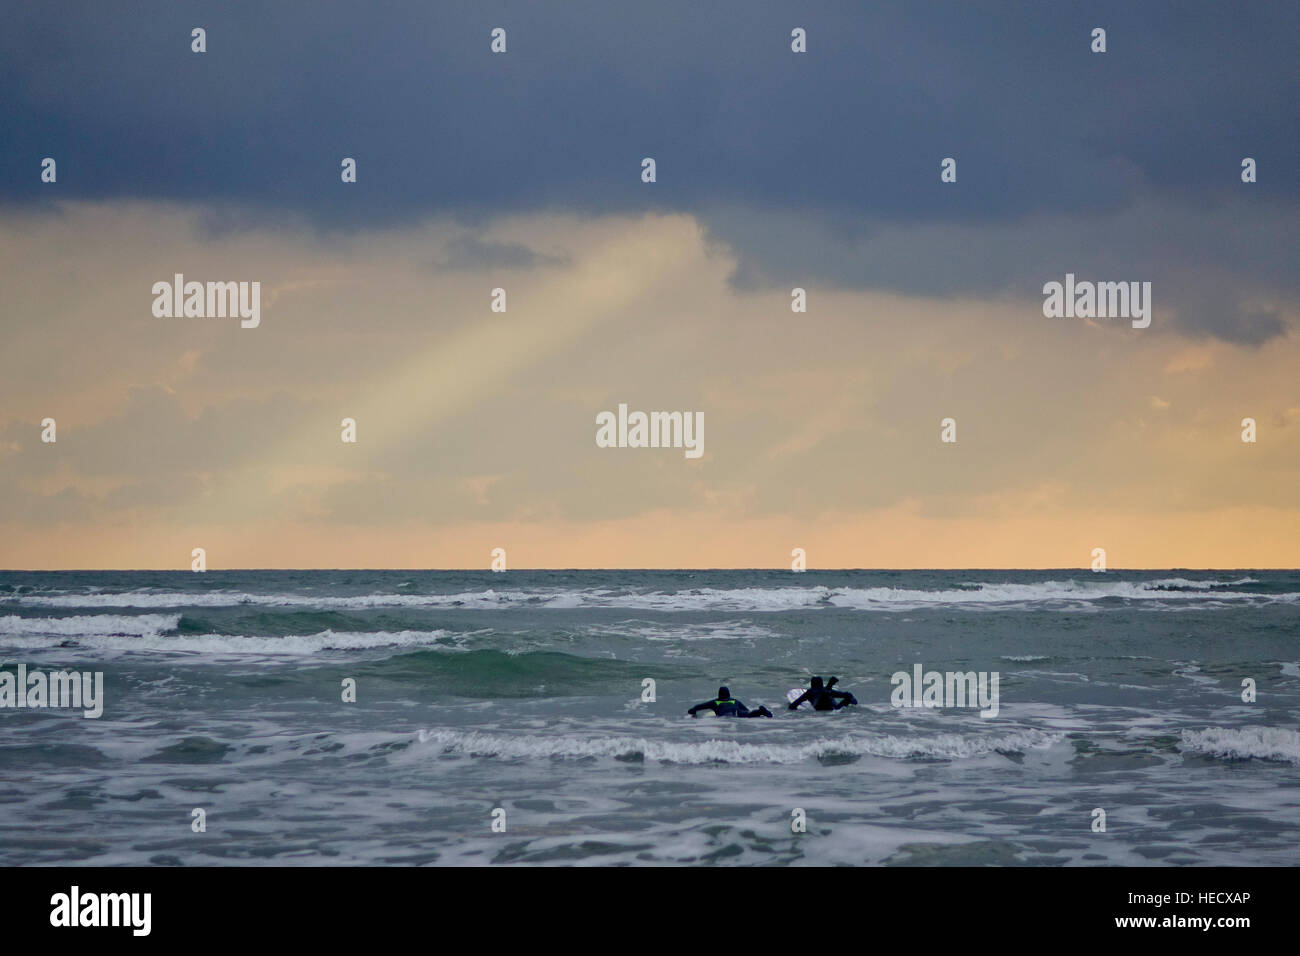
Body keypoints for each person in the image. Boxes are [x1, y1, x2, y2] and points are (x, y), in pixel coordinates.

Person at [687, 686, 773, 718]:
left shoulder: (715, 702)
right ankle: (760, 711)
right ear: (729, 694)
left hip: (725, 714)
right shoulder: (734, 701)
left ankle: (760, 712)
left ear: (719, 695)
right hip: (736, 711)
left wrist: (693, 710)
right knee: (749, 714)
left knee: (726, 717)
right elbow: (746, 710)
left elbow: (699, 706)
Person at [788, 675, 858, 711]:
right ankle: (830, 684)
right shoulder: (825, 691)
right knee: (844, 696)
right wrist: (852, 699)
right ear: (821, 684)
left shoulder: (810, 692)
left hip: (820, 708)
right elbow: (845, 694)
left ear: (812, 684)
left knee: (824, 695)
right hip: (834, 708)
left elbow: (793, 705)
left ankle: (830, 684)